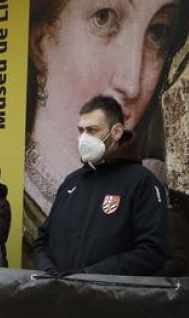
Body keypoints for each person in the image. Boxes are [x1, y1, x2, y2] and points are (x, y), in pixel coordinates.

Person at [25, 0, 189, 222]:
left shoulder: (170, 209)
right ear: (41, 39)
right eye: (104, 17)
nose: (131, 83)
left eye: (158, 32)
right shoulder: (29, 198)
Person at [34, 95, 167, 275]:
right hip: (61, 296)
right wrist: (48, 271)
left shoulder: (142, 182)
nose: (83, 138)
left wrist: (89, 277)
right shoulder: (71, 183)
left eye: (92, 130)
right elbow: (43, 241)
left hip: (109, 298)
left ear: (117, 132)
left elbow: (152, 252)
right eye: (81, 130)